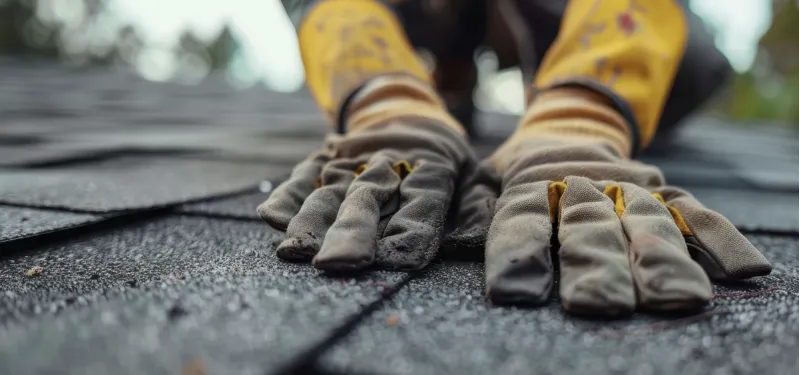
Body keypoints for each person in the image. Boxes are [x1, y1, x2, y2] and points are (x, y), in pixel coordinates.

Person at [259, 0, 772, 317]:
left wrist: (580, 114)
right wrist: (385, 101)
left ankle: (558, 77)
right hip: (422, 26)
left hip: (574, 21)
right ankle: (444, 72)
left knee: (692, 59)